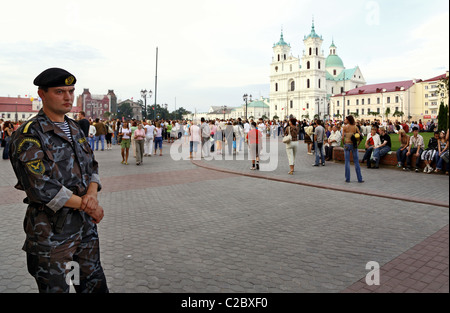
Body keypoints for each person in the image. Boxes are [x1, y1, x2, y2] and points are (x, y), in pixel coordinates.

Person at [8, 67, 108, 293]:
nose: (68, 97)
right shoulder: (29, 133)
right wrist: (88, 206)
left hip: (84, 230)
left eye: (71, 91)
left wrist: (91, 196)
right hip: (52, 235)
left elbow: (91, 165)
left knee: (93, 286)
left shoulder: (74, 128)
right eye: (60, 91)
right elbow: (40, 187)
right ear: (42, 94)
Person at [342, 115, 364, 183]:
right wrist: (358, 144)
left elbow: (342, 137)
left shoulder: (345, 127)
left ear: (348, 120)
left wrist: (343, 143)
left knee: (347, 162)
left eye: (346, 119)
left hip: (347, 144)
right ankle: (359, 178)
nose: (345, 120)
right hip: (354, 145)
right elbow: (360, 136)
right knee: (356, 162)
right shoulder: (355, 127)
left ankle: (347, 178)